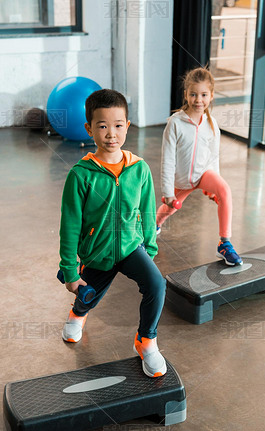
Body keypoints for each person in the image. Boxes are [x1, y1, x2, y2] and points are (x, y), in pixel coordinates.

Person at [59, 89, 167, 378]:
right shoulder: (80, 175)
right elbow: (69, 226)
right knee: (89, 296)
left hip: (132, 248)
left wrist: (150, 249)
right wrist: (69, 271)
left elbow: (146, 211)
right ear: (89, 128)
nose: (111, 134)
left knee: (156, 285)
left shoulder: (139, 169)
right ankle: (77, 314)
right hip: (97, 252)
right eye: (103, 126)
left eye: (118, 125)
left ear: (128, 126)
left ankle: (146, 340)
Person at [156, 67, 242, 266]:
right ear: (186, 94)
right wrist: (168, 192)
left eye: (203, 95)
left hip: (203, 174)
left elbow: (213, 157)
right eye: (193, 94)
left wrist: (214, 186)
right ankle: (155, 225)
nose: (198, 100)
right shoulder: (175, 123)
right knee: (170, 209)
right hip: (181, 179)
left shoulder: (212, 124)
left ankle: (225, 243)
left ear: (211, 96)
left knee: (225, 191)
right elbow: (167, 160)